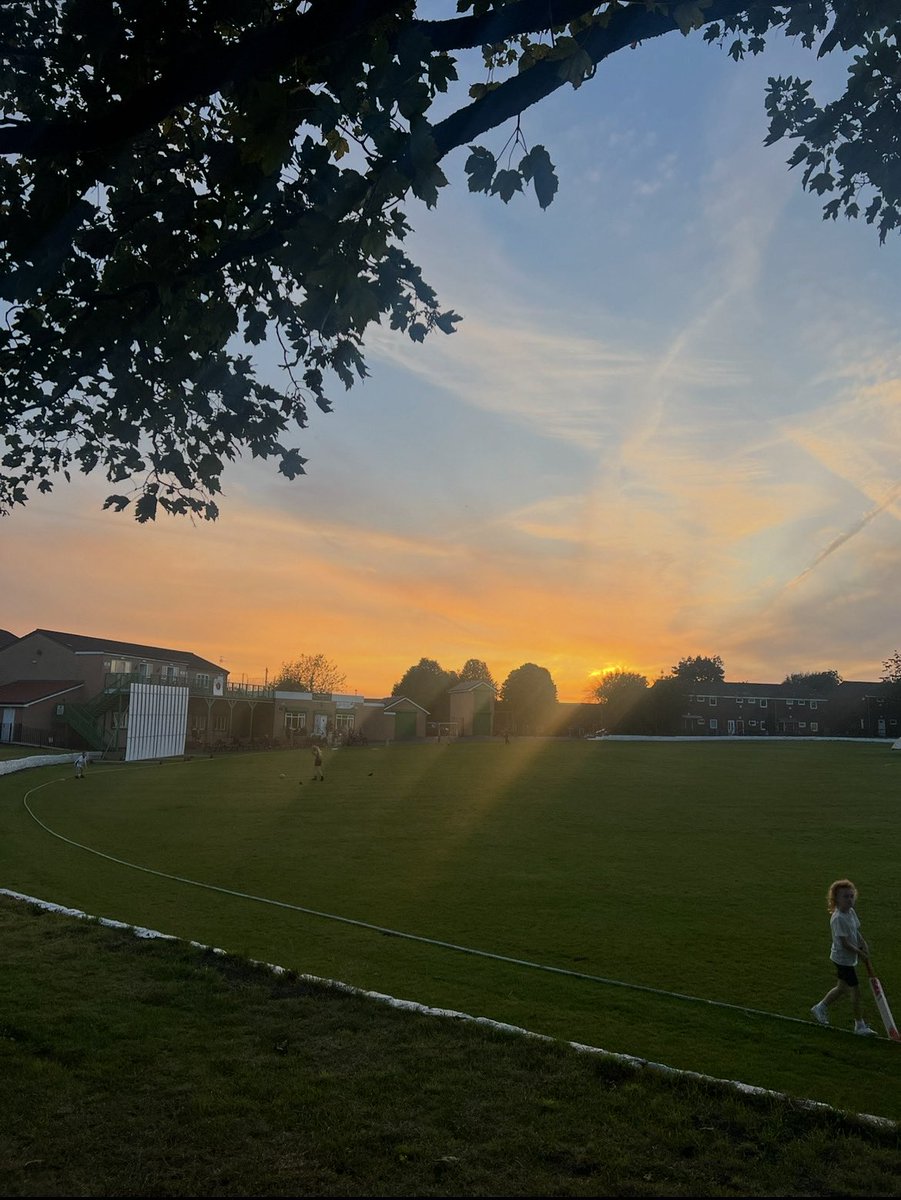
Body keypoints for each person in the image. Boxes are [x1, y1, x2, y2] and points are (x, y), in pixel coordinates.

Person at [810, 878, 876, 1035]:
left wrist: (863, 943)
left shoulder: (851, 912)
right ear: (836, 900)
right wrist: (860, 953)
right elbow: (845, 943)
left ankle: (820, 1007)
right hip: (842, 959)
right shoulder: (838, 918)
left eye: (851, 896)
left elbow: (856, 931)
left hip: (848, 958)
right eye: (845, 897)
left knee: (841, 987)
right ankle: (859, 1025)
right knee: (855, 990)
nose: (849, 899)